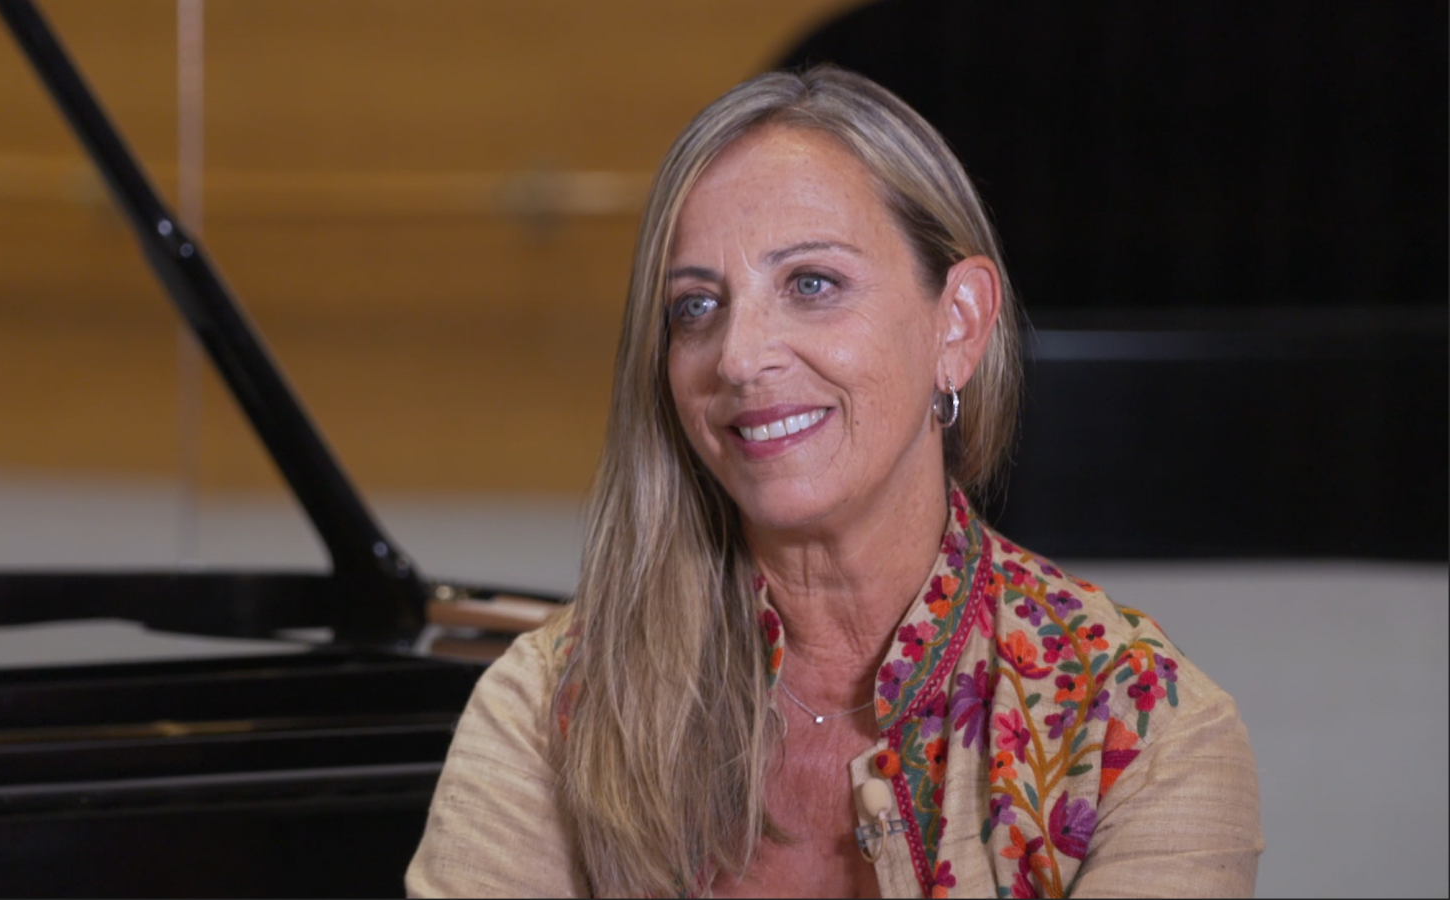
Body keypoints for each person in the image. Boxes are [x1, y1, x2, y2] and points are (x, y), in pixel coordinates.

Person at [407, 66, 1262, 898]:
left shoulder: (1142, 728)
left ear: (956, 323)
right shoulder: (547, 702)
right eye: (696, 307)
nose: (739, 358)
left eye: (811, 284)